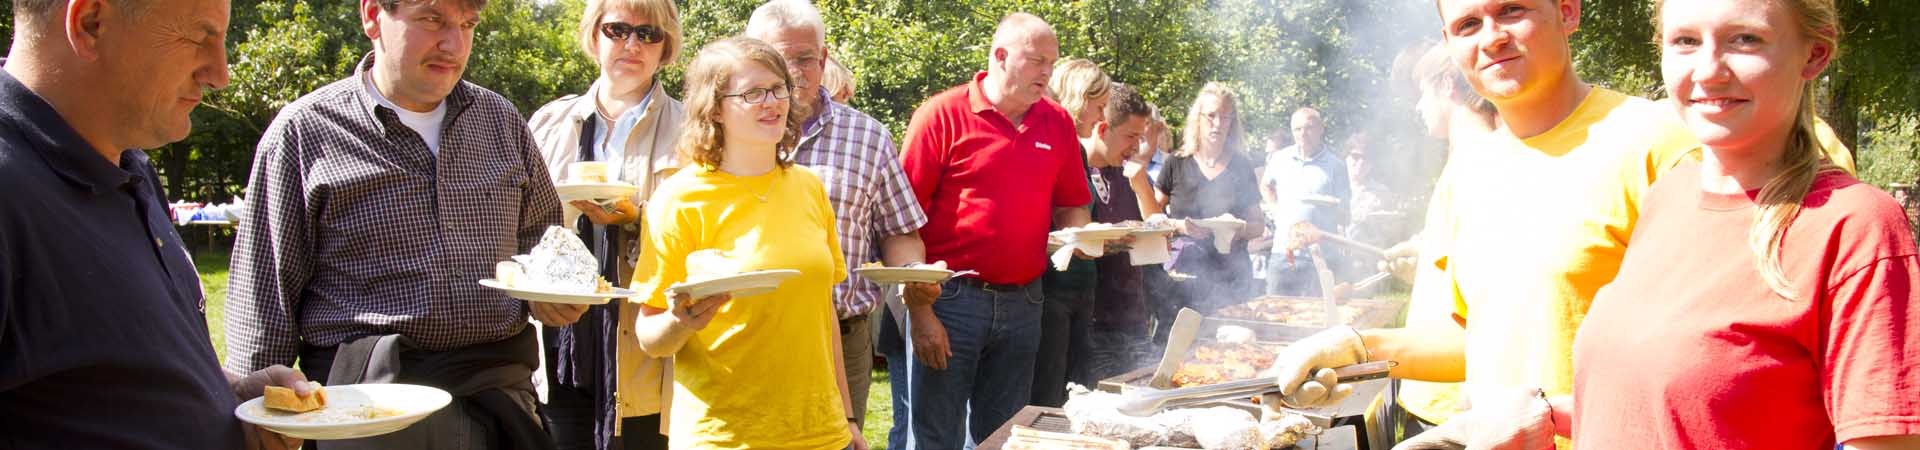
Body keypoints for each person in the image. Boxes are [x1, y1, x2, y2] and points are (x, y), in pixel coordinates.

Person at [1395, 1, 1920, 448]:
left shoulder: (1853, 226)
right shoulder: (1670, 195)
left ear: (1815, 53)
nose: (1709, 71)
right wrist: (1546, 415)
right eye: (1686, 42)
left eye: (1744, 40)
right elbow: (1677, 404)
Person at [1262, 3, 1705, 450]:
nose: (1490, 38)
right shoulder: (1471, 170)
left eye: (1512, 11)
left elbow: (1708, 359)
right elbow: (1476, 337)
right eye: (1468, 25)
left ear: (1567, 11)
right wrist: (1359, 348)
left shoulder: (1661, 143)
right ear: (1451, 44)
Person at [225, 0, 567, 448]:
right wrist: (261, 418)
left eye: (467, 25)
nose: (454, 44)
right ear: (372, 15)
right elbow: (263, 296)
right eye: (432, 19)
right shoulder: (305, 133)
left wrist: (552, 295)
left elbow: (543, 243)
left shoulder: (501, 122)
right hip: (366, 415)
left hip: (500, 406)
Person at [0, 0, 311, 448]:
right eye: (199, 38)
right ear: (90, 23)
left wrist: (228, 397)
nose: (220, 74)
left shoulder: (129, 165)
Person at [628, 36, 864, 450]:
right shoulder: (680, 198)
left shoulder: (808, 188)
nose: (771, 102)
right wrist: (681, 320)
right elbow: (648, 336)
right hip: (725, 438)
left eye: (778, 89)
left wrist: (847, 418)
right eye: (752, 93)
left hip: (821, 435)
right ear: (715, 108)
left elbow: (822, 314)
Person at [890, 12, 1093, 448]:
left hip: (1025, 300)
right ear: (1000, 56)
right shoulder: (940, 116)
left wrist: (1085, 238)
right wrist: (920, 312)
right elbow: (900, 224)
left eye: (1051, 64)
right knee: (935, 438)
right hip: (950, 301)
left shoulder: (1056, 122)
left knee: (1003, 438)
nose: (1047, 73)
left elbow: (1073, 206)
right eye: (1037, 60)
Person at [743, 0, 936, 434]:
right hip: (745, 336)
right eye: (779, 58)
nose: (793, 72)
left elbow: (898, 232)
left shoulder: (868, 136)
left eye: (805, 59)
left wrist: (913, 276)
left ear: (824, 59)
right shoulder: (726, 134)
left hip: (841, 338)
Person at [525, 0, 685, 448]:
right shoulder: (547, 124)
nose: (632, 44)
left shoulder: (692, 129)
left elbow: (707, 235)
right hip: (562, 347)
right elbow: (520, 231)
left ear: (665, 45)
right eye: (618, 30)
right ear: (594, 35)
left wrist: (637, 218)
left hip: (646, 356)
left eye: (648, 33)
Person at [1032, 57, 1110, 408]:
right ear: (1080, 97)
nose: (1102, 117)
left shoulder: (1076, 148)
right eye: (1100, 106)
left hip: (1082, 286)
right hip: (1051, 288)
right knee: (1049, 395)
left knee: (1077, 393)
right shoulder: (1047, 142)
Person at [1149, 82, 1265, 315]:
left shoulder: (1242, 166)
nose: (1218, 124)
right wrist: (1179, 225)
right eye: (1211, 116)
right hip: (1184, 275)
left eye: (1225, 117)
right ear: (1198, 118)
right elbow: (1151, 216)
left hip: (1233, 276)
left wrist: (1237, 229)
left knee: (1233, 345)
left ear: (1233, 123)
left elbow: (1258, 226)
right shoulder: (1176, 163)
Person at [1083, 83, 1160, 382]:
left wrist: (1141, 182)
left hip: (1132, 319)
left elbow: (1159, 232)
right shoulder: (1072, 171)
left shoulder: (1130, 174)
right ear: (1102, 129)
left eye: (1140, 138)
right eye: (1130, 137)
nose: (1136, 147)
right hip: (1089, 325)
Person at [1259, 107, 1351, 297]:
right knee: (1275, 312)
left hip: (1320, 256)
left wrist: (1335, 207)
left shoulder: (1336, 166)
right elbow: (1266, 186)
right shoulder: (1280, 158)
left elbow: (1345, 214)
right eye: (1297, 129)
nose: (1303, 134)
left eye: (1309, 128)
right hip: (1282, 253)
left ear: (1320, 129)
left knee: (1318, 315)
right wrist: (1276, 210)